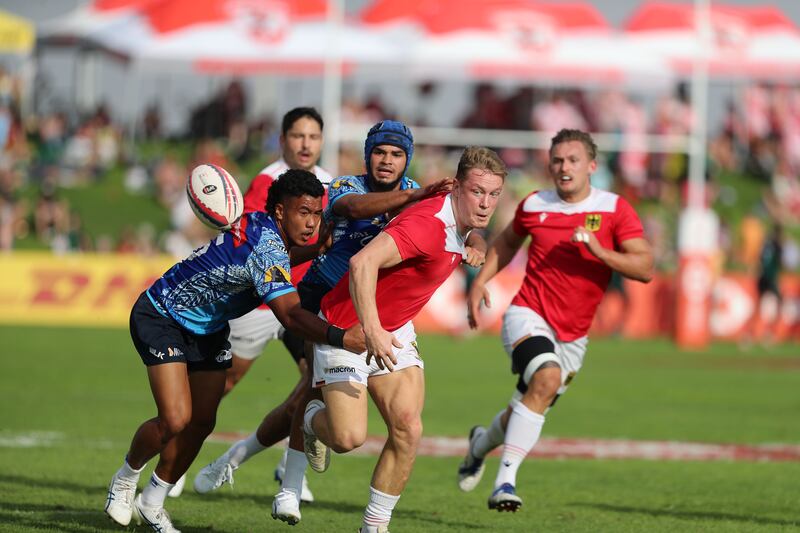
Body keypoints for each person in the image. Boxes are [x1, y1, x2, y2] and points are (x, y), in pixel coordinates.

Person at [192, 120, 454, 521]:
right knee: (309, 395)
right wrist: (411, 197)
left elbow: (457, 224)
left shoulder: (418, 195)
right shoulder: (349, 186)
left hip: (373, 312)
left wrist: (476, 244)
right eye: (380, 152)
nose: (387, 160)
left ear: (407, 159)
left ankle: (237, 460)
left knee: (305, 398)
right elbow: (349, 210)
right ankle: (287, 490)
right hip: (324, 301)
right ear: (369, 155)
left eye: (396, 154)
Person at [103, 170, 365, 533]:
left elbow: (288, 255)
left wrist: (321, 246)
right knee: (176, 418)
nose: (312, 222)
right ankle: (125, 479)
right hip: (162, 314)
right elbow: (290, 315)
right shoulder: (267, 248)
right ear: (279, 212)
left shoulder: (262, 226)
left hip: (207, 329)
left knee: (202, 421)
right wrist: (341, 337)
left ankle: (153, 501)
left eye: (317, 214)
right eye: (303, 212)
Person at [301, 146, 507, 532]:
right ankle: (312, 420)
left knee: (408, 429)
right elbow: (362, 263)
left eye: (493, 194)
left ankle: (374, 527)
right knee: (348, 438)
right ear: (457, 187)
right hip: (348, 328)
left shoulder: (459, 219)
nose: (485, 203)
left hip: (392, 330)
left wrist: (475, 247)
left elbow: (467, 238)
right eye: (478, 192)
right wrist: (373, 329)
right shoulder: (428, 223)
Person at [456, 129, 654, 513]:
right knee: (545, 379)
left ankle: (480, 444)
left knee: (529, 404)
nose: (564, 168)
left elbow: (645, 268)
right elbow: (506, 243)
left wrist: (600, 252)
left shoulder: (615, 209)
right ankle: (505, 483)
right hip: (527, 313)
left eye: (573, 160)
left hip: (574, 336)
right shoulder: (534, 205)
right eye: (558, 160)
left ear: (592, 166)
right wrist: (480, 280)